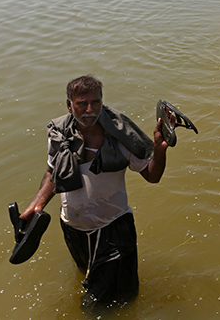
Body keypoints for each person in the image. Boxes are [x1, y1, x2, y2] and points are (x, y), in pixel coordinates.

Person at [18, 75, 174, 307]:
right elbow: (53, 173)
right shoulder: (60, 134)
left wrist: (160, 150)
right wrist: (37, 204)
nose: (90, 110)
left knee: (107, 304)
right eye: (82, 103)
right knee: (87, 275)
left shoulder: (121, 137)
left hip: (112, 228)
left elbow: (152, 176)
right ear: (70, 106)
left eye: (96, 102)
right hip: (73, 228)